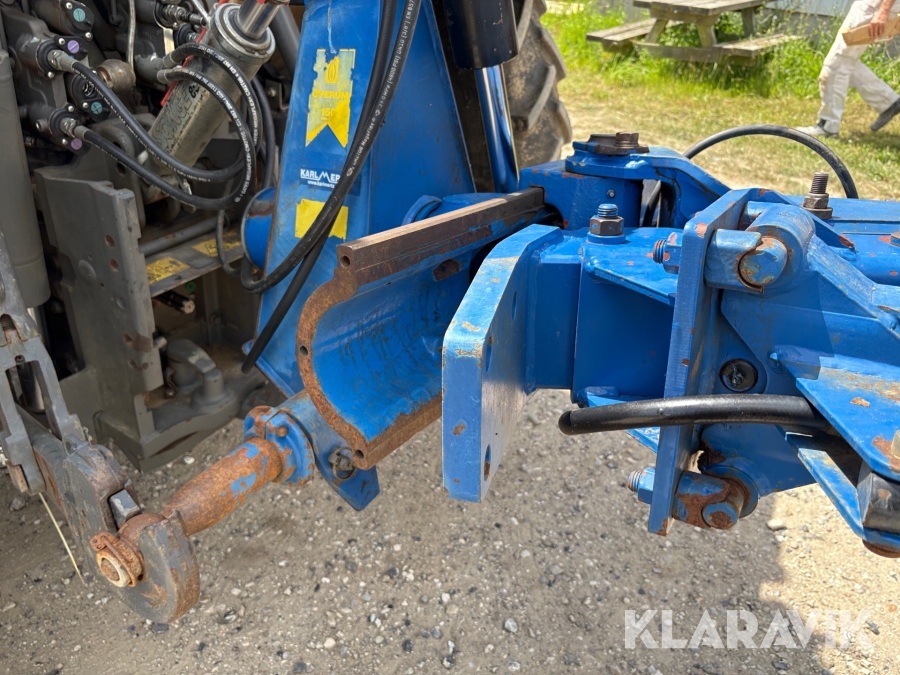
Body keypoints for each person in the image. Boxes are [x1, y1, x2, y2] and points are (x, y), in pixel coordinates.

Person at [796, 0, 900, 137]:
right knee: (845, 62)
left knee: (836, 64)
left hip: (873, 8)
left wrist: (883, 12)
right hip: (871, 7)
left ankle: (828, 126)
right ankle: (888, 102)